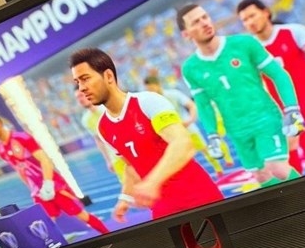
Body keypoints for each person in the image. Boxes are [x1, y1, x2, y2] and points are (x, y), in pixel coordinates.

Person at [69, 48, 223, 222]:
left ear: (109, 76)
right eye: (77, 82)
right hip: (161, 206)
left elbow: (182, 143)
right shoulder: (103, 127)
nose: (81, 88)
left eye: (85, 79)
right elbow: (131, 165)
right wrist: (125, 198)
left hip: (198, 195)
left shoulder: (147, 102)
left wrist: (152, 182)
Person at [177, 3, 304, 187]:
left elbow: (278, 74)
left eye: (205, 17)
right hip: (236, 129)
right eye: (196, 22)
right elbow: (203, 104)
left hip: (265, 118)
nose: (204, 23)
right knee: (261, 176)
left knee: (278, 169)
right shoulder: (190, 68)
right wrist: (212, 135)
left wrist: (291, 109)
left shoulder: (244, 44)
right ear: (186, 34)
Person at [236, 0, 305, 172]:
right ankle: (300, 180)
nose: (250, 22)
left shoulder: (294, 31)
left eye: (252, 16)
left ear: (266, 12)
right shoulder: (249, 49)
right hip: (281, 105)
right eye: (245, 20)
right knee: (289, 145)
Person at [0, 110, 109, 234]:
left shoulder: (22, 138)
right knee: (46, 226)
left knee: (83, 216)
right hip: (38, 193)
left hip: (55, 186)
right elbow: (20, 170)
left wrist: (48, 184)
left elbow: (44, 159)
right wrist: (32, 189)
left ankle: (107, 234)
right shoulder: (0, 149)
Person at [143, 75, 228, 178]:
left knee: (203, 149)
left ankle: (218, 169)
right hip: (172, 133)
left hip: (188, 128)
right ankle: (194, 176)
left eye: (151, 88)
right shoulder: (152, 102)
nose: (150, 91)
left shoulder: (173, 94)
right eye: (148, 89)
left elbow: (191, 105)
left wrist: (190, 120)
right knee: (182, 156)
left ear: (157, 85)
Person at [76, 89, 126, 183]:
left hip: (129, 152)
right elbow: (98, 140)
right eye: (77, 98)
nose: (80, 100)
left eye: (81, 96)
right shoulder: (86, 120)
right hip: (115, 158)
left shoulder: (107, 108)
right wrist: (108, 160)